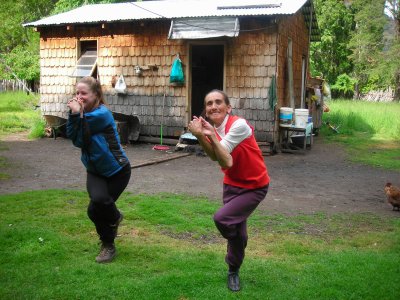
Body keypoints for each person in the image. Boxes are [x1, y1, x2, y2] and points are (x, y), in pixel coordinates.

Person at [188, 89, 270, 292]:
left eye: (218, 102)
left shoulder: (238, 125)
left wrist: (208, 137)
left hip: (254, 186)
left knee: (222, 219)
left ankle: (237, 240)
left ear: (228, 107)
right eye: (209, 104)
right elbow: (214, 157)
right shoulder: (212, 129)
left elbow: (227, 159)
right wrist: (200, 137)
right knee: (238, 233)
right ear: (205, 111)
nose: (213, 106)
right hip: (232, 185)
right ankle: (233, 270)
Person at [66, 76, 131, 263]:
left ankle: (114, 218)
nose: (79, 97)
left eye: (83, 93)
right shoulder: (82, 115)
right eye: (77, 93)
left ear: (96, 95)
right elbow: (76, 139)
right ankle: (108, 244)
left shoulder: (102, 115)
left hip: (118, 171)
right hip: (95, 170)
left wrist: (76, 115)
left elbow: (81, 130)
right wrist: (74, 115)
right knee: (94, 211)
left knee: (101, 201)